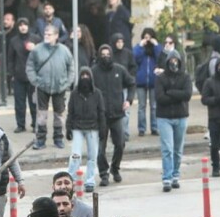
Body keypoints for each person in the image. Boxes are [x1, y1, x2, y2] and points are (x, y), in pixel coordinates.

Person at [92, 45, 135, 187]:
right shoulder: (94, 71)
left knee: (120, 144)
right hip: (100, 116)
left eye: (107, 54)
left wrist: (128, 100)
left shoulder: (119, 70)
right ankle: (103, 174)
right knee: (100, 149)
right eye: (102, 54)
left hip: (117, 114)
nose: (105, 57)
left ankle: (115, 168)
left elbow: (131, 83)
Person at [26, 25, 73, 151]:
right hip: (42, 87)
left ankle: (58, 138)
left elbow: (71, 68)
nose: (46, 36)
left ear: (56, 36)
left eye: (49, 34)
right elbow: (30, 67)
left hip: (59, 87)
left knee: (59, 114)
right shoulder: (37, 50)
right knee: (41, 115)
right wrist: (36, 81)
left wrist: (67, 83)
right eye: (45, 34)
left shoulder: (64, 50)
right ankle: (40, 140)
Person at [155, 51, 191, 193]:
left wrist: (170, 92)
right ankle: (167, 177)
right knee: (167, 149)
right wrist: (177, 94)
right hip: (164, 117)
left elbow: (187, 95)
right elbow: (160, 97)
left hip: (181, 116)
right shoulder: (161, 78)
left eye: (176, 60)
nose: (174, 63)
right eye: (171, 60)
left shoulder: (185, 77)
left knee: (178, 149)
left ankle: (176, 174)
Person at [65, 66, 105, 193]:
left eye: (87, 76)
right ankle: (71, 179)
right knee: (75, 155)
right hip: (77, 127)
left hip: (93, 128)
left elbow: (101, 112)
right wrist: (68, 128)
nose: (85, 78)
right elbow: (70, 112)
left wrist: (102, 128)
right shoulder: (75, 94)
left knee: (92, 156)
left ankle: (90, 180)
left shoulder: (97, 93)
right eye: (83, 76)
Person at [6, 18, 39, 133]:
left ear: (29, 26)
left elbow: (42, 56)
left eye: (25, 24)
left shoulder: (35, 39)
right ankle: (20, 124)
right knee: (19, 103)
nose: (23, 27)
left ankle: (35, 124)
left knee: (34, 102)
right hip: (19, 76)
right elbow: (10, 59)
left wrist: (35, 49)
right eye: (20, 25)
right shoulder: (13, 41)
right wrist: (11, 73)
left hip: (33, 77)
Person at [133, 28, 162, 137]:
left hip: (154, 80)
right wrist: (140, 46)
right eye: (145, 37)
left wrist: (156, 45)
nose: (147, 40)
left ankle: (154, 128)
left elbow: (160, 57)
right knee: (141, 106)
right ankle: (142, 128)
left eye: (149, 38)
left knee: (154, 106)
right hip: (141, 81)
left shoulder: (156, 48)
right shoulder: (139, 49)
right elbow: (134, 57)